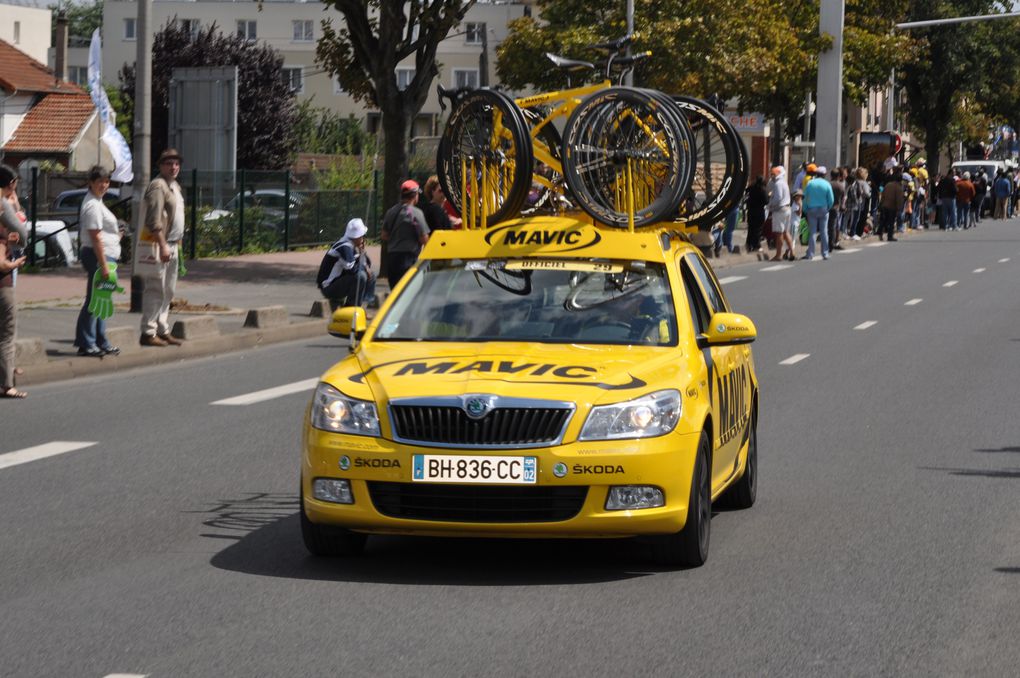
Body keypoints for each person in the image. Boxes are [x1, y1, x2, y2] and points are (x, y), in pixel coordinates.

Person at [139, 148, 186, 347]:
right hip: (161, 246)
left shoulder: (175, 186)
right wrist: (163, 245)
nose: (173, 167)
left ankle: (162, 328)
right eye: (169, 163)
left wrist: (178, 245)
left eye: (176, 163)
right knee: (155, 288)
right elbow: (153, 220)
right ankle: (148, 332)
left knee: (168, 290)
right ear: (160, 166)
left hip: (174, 244)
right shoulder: (158, 186)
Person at [74, 165, 123, 357]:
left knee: (102, 300)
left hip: (105, 256)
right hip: (98, 257)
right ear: (91, 183)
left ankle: (100, 340)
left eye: (106, 181)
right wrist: (103, 265)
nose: (104, 185)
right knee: (95, 300)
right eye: (99, 181)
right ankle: (86, 342)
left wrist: (117, 235)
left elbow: (102, 233)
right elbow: (95, 237)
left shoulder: (98, 202)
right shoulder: (92, 205)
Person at [1, 166, 28, 399]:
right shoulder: (2, 207)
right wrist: (14, 263)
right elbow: (21, 235)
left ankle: (6, 372)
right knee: (7, 331)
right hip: (2, 280)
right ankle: (7, 384)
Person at [318, 218, 376, 310]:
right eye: (362, 236)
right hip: (328, 287)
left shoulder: (351, 245)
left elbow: (367, 264)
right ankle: (351, 307)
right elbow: (352, 270)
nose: (363, 238)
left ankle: (363, 306)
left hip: (338, 282)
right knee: (360, 276)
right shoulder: (345, 246)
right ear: (357, 237)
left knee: (371, 275)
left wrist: (362, 252)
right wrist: (365, 267)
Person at [381, 179, 430, 289]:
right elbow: (424, 239)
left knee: (395, 293)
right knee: (409, 292)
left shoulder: (391, 211)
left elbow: (384, 235)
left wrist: (397, 238)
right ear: (415, 195)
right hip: (409, 259)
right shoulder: (416, 213)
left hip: (392, 258)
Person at [802, 165, 834, 260]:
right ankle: (825, 253)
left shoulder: (810, 183)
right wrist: (828, 207)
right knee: (824, 231)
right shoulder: (827, 184)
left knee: (812, 232)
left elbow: (805, 197)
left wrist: (805, 208)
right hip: (824, 209)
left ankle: (810, 254)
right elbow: (831, 199)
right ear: (824, 174)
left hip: (811, 209)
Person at [767, 165, 794, 261]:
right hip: (787, 209)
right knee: (786, 232)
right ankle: (792, 252)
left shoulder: (778, 184)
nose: (772, 175)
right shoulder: (784, 183)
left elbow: (778, 198)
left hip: (780, 210)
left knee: (779, 233)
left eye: (773, 174)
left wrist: (770, 205)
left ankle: (778, 255)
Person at [743, 175, 768, 254]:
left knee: (751, 228)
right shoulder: (762, 190)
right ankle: (756, 246)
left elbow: (746, 194)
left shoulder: (751, 188)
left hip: (750, 211)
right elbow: (766, 201)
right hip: (759, 211)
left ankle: (748, 244)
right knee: (758, 229)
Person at [879, 170, 906, 241]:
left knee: (884, 220)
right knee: (891, 222)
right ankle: (890, 236)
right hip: (892, 207)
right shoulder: (899, 188)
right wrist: (899, 208)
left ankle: (880, 233)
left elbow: (883, 195)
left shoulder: (888, 185)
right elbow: (899, 199)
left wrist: (881, 203)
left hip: (885, 205)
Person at [845, 167, 871, 240]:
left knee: (851, 218)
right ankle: (857, 233)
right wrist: (870, 194)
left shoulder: (855, 181)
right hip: (861, 203)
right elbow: (866, 193)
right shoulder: (864, 183)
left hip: (853, 203)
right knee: (859, 218)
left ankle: (852, 232)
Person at [828, 168, 846, 249]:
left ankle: (830, 242)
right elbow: (843, 197)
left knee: (829, 226)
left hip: (827, 207)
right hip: (836, 208)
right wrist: (842, 206)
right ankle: (834, 242)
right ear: (838, 176)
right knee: (835, 226)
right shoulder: (840, 186)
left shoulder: (828, 184)